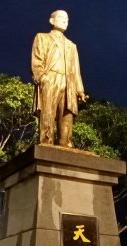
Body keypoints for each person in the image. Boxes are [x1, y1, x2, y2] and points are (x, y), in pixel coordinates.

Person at [31, 10, 87, 147]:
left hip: (69, 82)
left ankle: (66, 143)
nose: (65, 21)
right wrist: (42, 78)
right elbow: (37, 61)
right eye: (61, 17)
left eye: (67, 19)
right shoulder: (42, 37)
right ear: (52, 21)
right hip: (50, 78)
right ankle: (46, 142)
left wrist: (80, 90)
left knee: (67, 115)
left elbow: (76, 70)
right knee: (48, 112)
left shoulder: (71, 46)